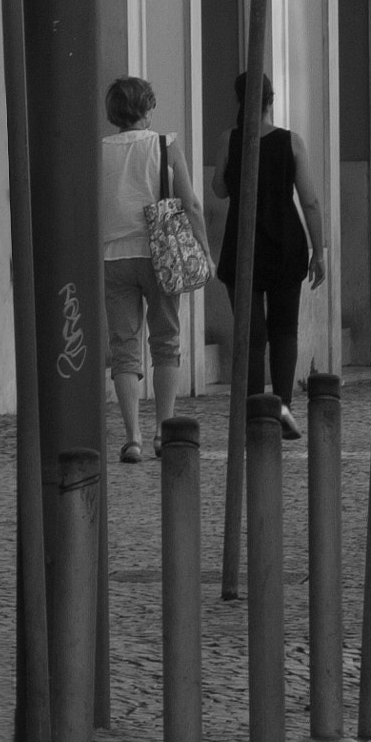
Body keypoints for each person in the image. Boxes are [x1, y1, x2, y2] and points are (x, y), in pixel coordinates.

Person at [101, 76, 209, 464]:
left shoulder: (100, 151)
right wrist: (205, 250)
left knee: (123, 348)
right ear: (145, 109)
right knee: (166, 342)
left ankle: (132, 437)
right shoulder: (165, 145)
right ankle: (164, 430)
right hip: (160, 253)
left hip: (113, 256)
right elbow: (191, 204)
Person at [213, 74, 326, 440]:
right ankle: (283, 408)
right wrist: (318, 250)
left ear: (238, 100)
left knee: (251, 332)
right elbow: (309, 201)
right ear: (270, 100)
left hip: (242, 244)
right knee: (284, 330)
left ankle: (252, 411)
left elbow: (219, 189)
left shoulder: (230, 140)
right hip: (285, 243)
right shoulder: (292, 142)